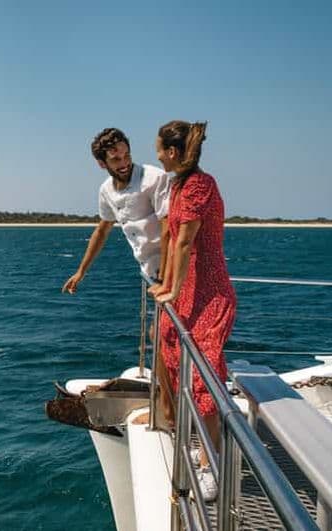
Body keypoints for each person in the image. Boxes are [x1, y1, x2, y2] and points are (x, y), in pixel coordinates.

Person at [151, 120, 237, 501]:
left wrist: (170, 288)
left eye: (159, 149)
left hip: (209, 293)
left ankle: (210, 466)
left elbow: (185, 242)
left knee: (203, 379)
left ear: (171, 152)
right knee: (171, 352)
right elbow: (170, 242)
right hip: (187, 290)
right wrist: (168, 285)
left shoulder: (199, 186)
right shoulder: (179, 184)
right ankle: (194, 436)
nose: (156, 155)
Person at [62, 127, 171, 294]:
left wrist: (163, 279)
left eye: (127, 155)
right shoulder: (106, 190)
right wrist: (81, 272)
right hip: (150, 273)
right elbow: (102, 230)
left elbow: (169, 228)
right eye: (116, 159)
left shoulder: (154, 178)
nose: (124, 163)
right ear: (102, 163)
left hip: (172, 271)